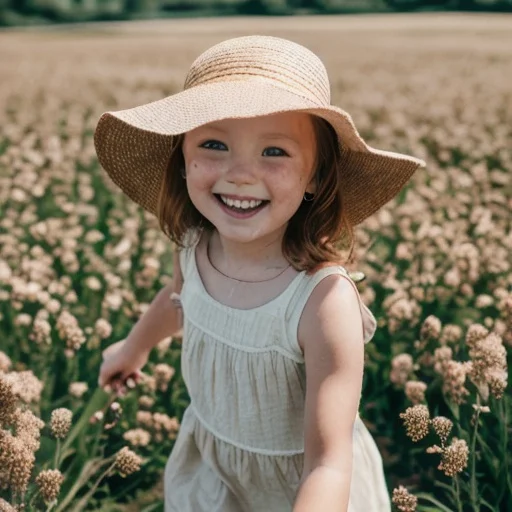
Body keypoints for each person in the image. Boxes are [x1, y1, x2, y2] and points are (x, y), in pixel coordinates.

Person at [95, 35, 426, 512]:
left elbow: (328, 464)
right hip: (216, 471)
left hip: (304, 490)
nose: (241, 174)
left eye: (275, 152)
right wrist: (133, 348)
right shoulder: (194, 246)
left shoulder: (323, 302)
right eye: (214, 145)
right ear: (182, 160)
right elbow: (178, 300)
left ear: (315, 176)